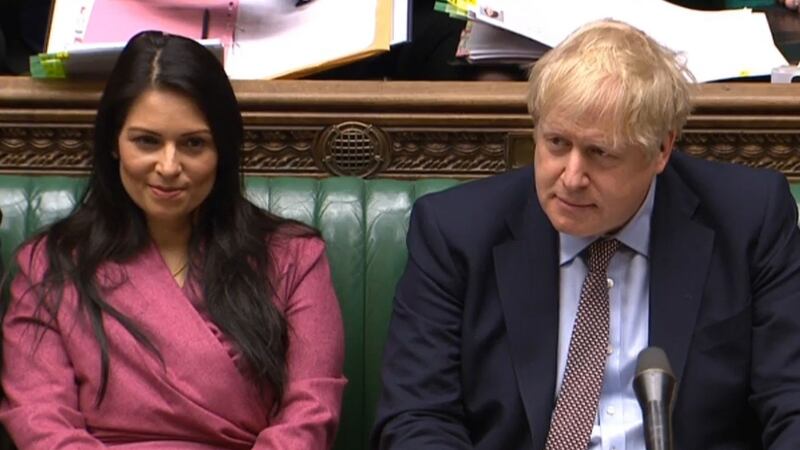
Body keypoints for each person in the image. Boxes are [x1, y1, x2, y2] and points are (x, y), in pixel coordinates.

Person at [372, 19, 800, 450]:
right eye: (557, 143)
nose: (572, 177)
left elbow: (791, 401)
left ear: (661, 150)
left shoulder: (748, 220)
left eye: (601, 153)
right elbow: (418, 417)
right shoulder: (456, 232)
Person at [0, 30, 346, 449]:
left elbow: (311, 409)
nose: (168, 166)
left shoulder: (294, 257)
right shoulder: (49, 264)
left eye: (193, 144)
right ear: (114, 143)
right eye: (147, 141)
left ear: (223, 149)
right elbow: (40, 418)